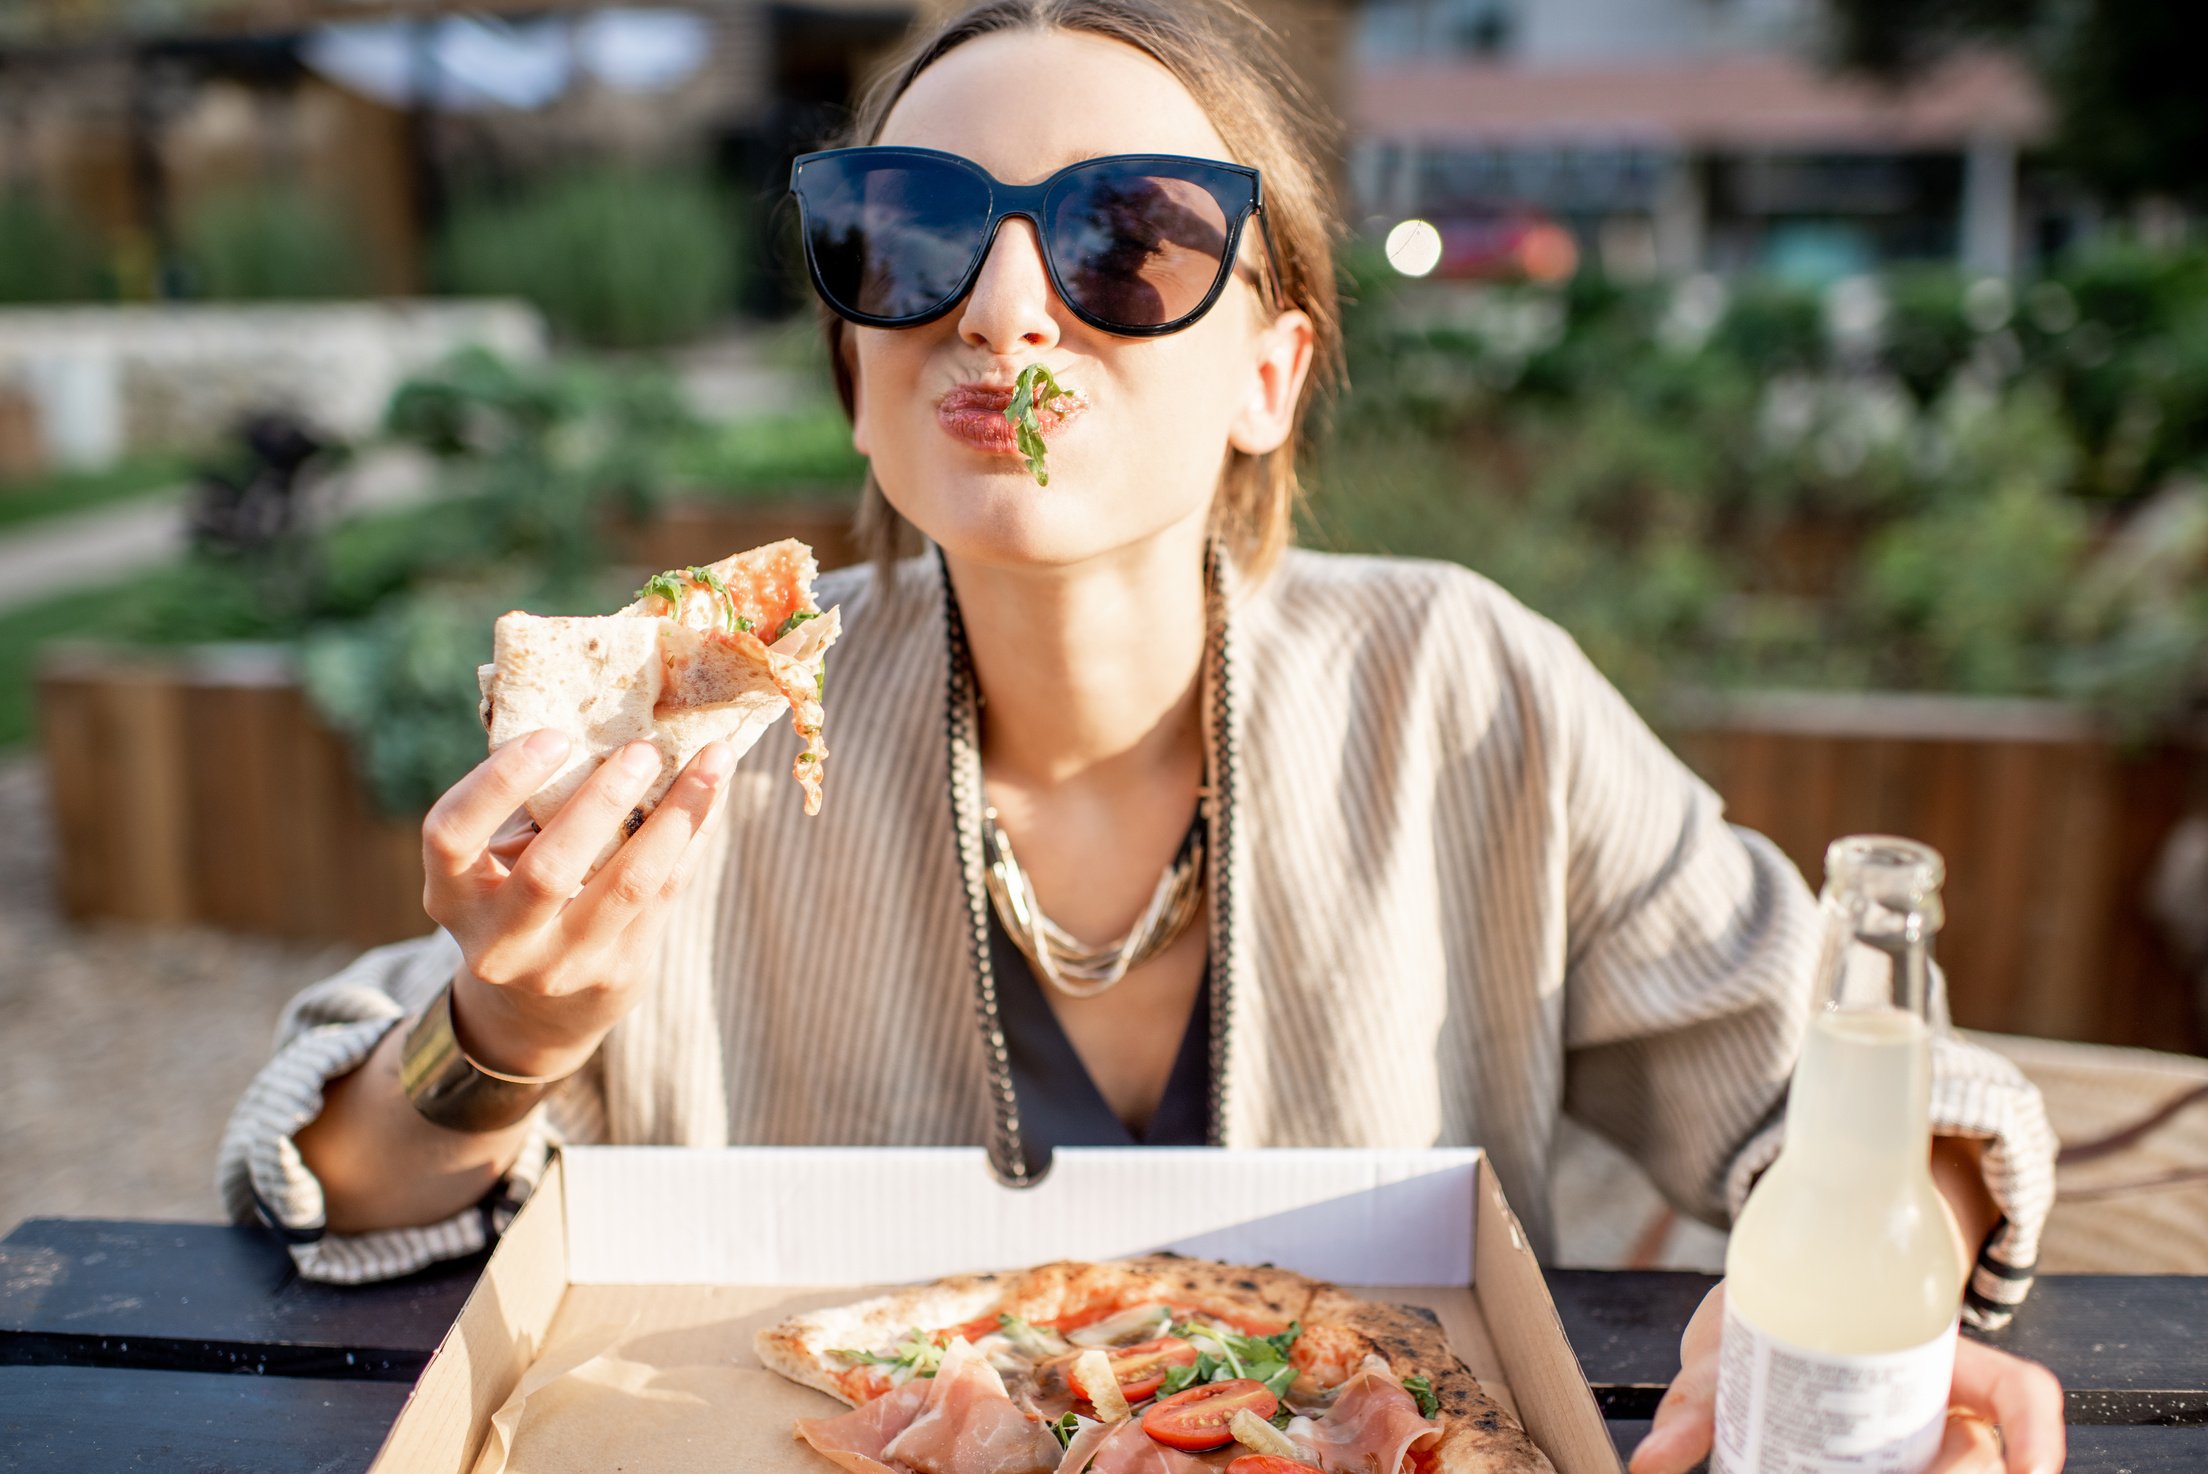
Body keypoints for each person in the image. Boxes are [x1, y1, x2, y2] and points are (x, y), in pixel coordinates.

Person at [219, 2, 2065, 1469]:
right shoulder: (707, 717)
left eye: (1127, 241)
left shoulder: (1464, 691)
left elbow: (1830, 1083)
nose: (1005, 312)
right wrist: (510, 1033)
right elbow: (342, 1181)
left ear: (1270, 371)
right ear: (854, 360)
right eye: (908, 233)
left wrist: (1840, 1293)